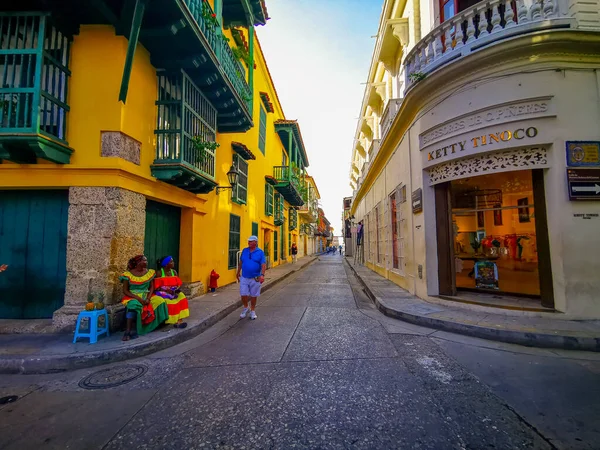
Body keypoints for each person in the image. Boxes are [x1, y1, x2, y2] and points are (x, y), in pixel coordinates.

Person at [120, 255, 169, 341]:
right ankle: (128, 331)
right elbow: (125, 291)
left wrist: (148, 298)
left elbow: (151, 287)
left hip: (147, 295)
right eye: (144, 260)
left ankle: (156, 325)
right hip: (133, 296)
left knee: (160, 301)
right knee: (133, 306)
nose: (147, 262)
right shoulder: (128, 275)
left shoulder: (149, 273)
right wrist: (139, 299)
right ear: (138, 262)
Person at [154, 256, 190, 329]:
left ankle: (179, 320)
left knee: (181, 297)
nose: (173, 263)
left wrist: (176, 289)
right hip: (163, 292)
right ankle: (171, 321)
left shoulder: (174, 272)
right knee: (169, 302)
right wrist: (167, 290)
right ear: (166, 264)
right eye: (171, 262)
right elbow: (157, 287)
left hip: (172, 291)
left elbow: (178, 284)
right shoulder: (159, 273)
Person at [236, 235, 266, 320]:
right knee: (243, 294)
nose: (248, 242)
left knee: (253, 295)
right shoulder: (245, 251)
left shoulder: (260, 252)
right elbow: (241, 262)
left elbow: (263, 265)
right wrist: (238, 272)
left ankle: (252, 311)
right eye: (248, 241)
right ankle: (246, 307)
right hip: (244, 277)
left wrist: (262, 275)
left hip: (255, 278)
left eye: (251, 241)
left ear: (255, 242)